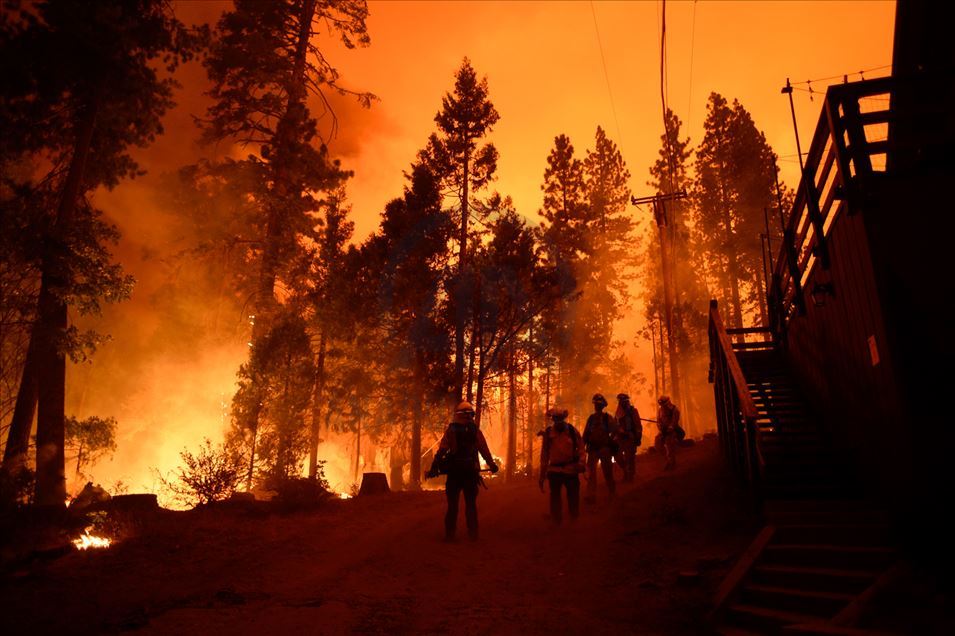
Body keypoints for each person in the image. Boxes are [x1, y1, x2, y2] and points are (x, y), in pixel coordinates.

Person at [426, 401, 498, 541]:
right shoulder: (475, 431)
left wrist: (435, 465)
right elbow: (484, 449)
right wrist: (492, 464)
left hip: (454, 474)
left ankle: (450, 534)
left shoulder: (452, 430)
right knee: (470, 505)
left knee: (453, 505)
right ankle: (473, 534)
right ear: (470, 415)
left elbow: (442, 450)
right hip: (470, 473)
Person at [538, 407, 585, 524]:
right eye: (556, 418)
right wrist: (542, 475)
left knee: (573, 495)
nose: (558, 421)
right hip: (554, 470)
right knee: (555, 497)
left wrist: (581, 463)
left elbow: (581, 449)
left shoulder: (572, 431)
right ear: (553, 419)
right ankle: (556, 522)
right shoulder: (549, 433)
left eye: (560, 418)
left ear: (564, 418)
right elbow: (544, 455)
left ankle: (574, 520)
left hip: (571, 469)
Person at [583, 393, 618, 501]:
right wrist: (581, 448)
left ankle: (612, 492)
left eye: (598, 404)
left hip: (604, 448)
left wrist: (610, 441)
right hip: (593, 449)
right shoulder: (591, 419)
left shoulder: (608, 418)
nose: (596, 406)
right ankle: (591, 495)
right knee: (591, 473)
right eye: (595, 404)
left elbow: (615, 431)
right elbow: (586, 434)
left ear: (602, 406)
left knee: (607, 472)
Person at [614, 393, 642, 483]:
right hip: (620, 438)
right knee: (617, 456)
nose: (622, 403)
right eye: (620, 401)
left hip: (630, 437)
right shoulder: (618, 413)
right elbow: (615, 425)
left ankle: (630, 476)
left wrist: (638, 437)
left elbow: (638, 425)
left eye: (624, 401)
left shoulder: (633, 411)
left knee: (630, 457)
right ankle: (626, 471)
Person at [655, 395, 681, 470]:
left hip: (671, 432)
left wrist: (670, 428)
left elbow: (674, 422)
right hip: (663, 431)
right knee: (657, 445)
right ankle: (669, 460)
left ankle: (671, 464)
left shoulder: (674, 410)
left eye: (662, 403)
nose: (661, 405)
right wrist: (660, 427)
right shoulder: (660, 410)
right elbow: (658, 421)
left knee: (669, 447)